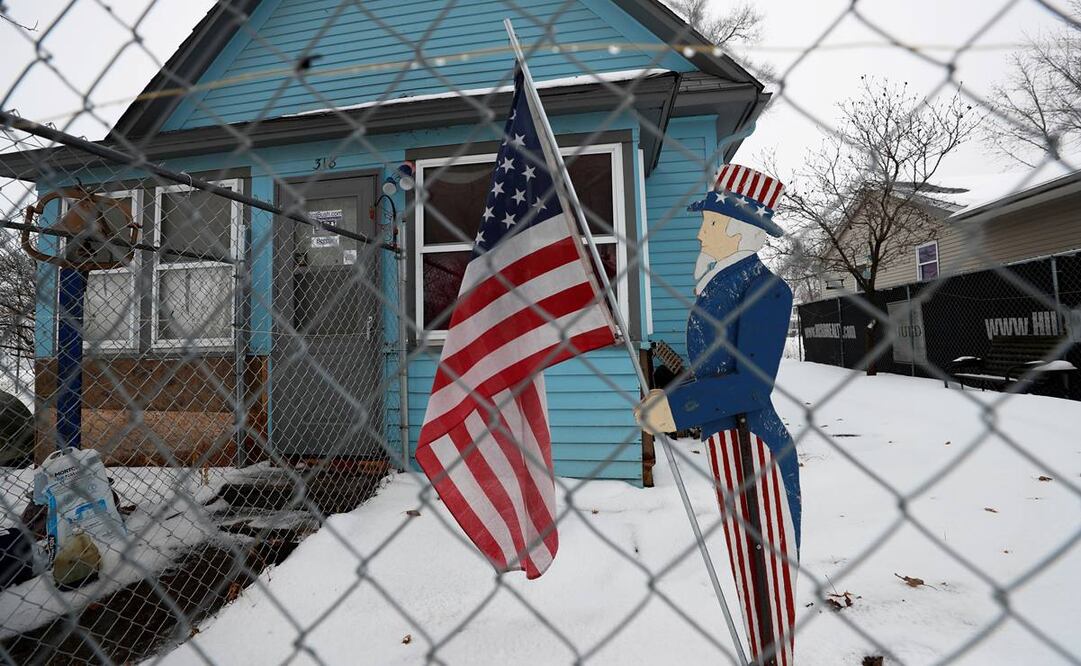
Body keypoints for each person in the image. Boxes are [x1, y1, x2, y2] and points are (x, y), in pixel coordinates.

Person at [635, 165, 799, 665]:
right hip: (727, 443)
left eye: (709, 221)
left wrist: (677, 408)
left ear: (738, 230)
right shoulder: (715, 289)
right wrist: (668, 395)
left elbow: (752, 384)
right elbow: (710, 372)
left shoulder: (765, 291)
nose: (701, 231)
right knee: (745, 574)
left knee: (766, 582)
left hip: (756, 449)